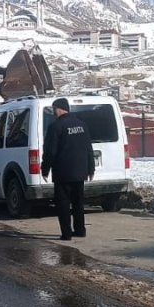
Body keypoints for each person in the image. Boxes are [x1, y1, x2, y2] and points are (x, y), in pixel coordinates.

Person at [41, 98, 94, 241]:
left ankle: (67, 233)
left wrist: (45, 169)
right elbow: (89, 148)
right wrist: (91, 169)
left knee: (63, 204)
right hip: (80, 172)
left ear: (59, 108)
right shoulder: (82, 125)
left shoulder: (56, 127)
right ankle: (80, 230)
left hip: (63, 172)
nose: (53, 112)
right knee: (78, 203)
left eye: (54, 109)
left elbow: (50, 151)